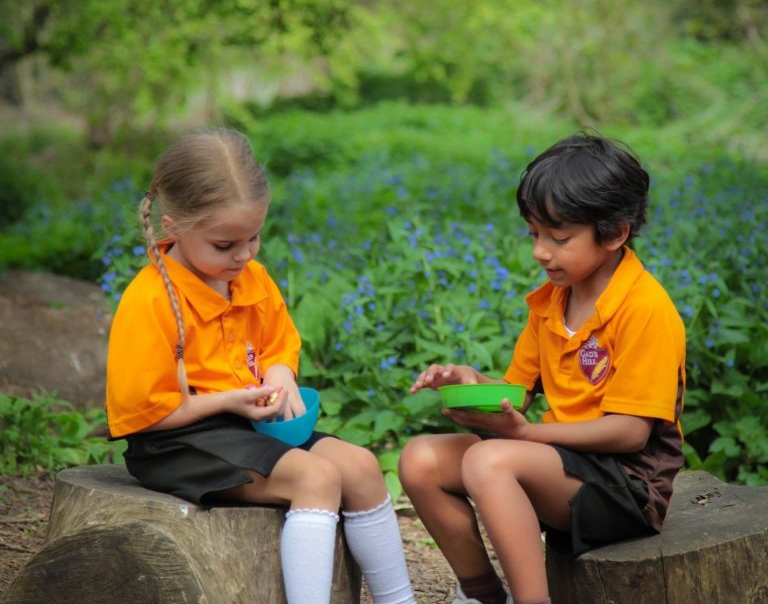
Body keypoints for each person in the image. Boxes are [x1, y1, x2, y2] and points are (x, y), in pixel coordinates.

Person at [106, 128, 416, 604]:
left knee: (361, 467)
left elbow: (278, 343)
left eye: (254, 237)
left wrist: (280, 374)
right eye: (225, 244)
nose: (244, 254)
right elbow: (143, 413)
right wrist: (229, 400)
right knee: (318, 477)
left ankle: (400, 600)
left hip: (249, 428)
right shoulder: (148, 301)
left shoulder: (252, 280)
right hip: (176, 441)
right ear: (173, 228)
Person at [398, 133, 686, 604]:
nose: (540, 252)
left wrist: (527, 436)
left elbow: (631, 433)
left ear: (614, 234)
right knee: (420, 460)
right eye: (534, 234)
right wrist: (473, 383)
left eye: (559, 238)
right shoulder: (553, 301)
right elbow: (520, 391)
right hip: (560, 465)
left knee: (489, 459)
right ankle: (481, 593)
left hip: (628, 487)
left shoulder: (645, 309)